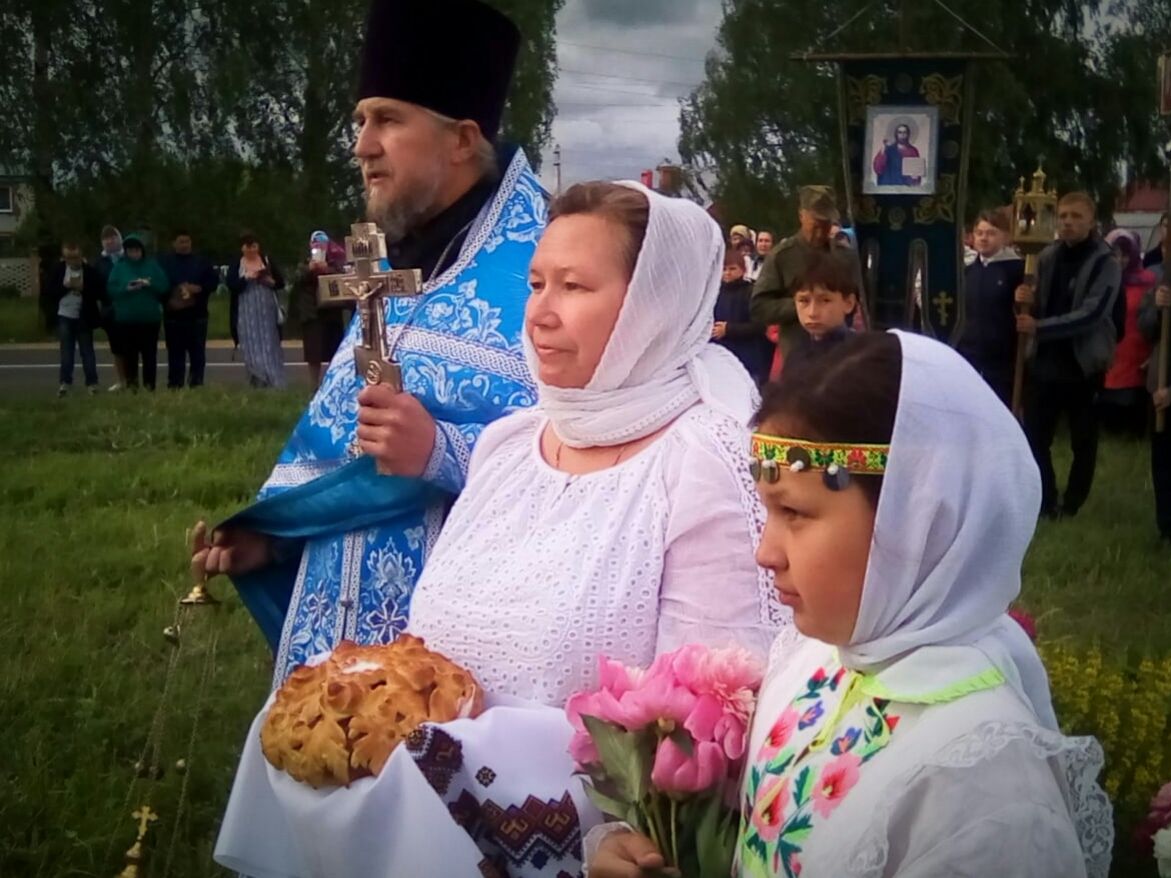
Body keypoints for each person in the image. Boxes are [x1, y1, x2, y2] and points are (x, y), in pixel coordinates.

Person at [214, 180, 794, 878]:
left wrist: (610, 840)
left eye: (574, 287)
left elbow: (710, 724)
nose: (539, 314)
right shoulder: (511, 445)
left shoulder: (703, 460)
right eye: (536, 282)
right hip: (425, 838)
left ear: (655, 307)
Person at [587, 331, 1112, 878]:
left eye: (795, 513)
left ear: (914, 519)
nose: (765, 553)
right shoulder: (816, 657)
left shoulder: (983, 785)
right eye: (768, 513)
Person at [193, 0, 540, 678]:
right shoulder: (384, 270)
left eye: (386, 119)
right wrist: (272, 533)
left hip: (464, 647)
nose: (361, 145)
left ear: (462, 139)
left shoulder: (549, 274)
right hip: (333, 632)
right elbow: (335, 445)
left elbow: (587, 460)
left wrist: (439, 450)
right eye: (360, 120)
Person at [1016, 192, 1121, 519]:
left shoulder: (1106, 261)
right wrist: (1024, 298)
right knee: (1035, 437)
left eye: (1076, 216)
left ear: (1091, 221)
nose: (1068, 223)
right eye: (1062, 216)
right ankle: (1046, 501)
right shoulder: (1047, 256)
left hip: (1082, 363)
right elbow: (1036, 303)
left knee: (1082, 441)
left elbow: (1092, 314)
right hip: (1045, 361)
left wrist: (1040, 327)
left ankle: (1072, 504)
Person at [752, 185, 865, 358]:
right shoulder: (782, 256)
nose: (820, 232)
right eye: (815, 225)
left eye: (826, 225)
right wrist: (803, 304)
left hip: (840, 353)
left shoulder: (845, 256)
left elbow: (857, 299)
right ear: (801, 216)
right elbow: (759, 307)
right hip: (797, 353)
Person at [956, 208, 1024, 406]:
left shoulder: (1017, 270)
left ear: (1005, 236)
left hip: (1002, 357)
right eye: (980, 233)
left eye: (991, 233)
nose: (984, 238)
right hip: (969, 353)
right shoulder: (967, 272)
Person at [1100, 229, 1156, 436]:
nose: (1120, 260)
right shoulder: (1100, 281)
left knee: (1131, 423)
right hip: (1107, 356)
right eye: (1115, 254)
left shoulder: (1148, 281)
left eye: (1125, 254)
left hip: (1137, 357)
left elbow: (1152, 318)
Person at [106, 232, 170, 391]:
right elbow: (111, 290)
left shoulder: (152, 266)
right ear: (126, 252)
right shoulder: (119, 268)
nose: (134, 253)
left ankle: (150, 388)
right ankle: (132, 387)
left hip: (149, 320)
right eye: (130, 250)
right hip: (126, 321)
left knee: (149, 357)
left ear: (142, 250)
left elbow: (164, 287)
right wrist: (126, 288)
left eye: (137, 250)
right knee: (130, 357)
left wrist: (149, 284)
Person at [226, 232, 287, 389]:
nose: (251, 249)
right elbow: (232, 285)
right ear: (242, 248)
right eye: (247, 246)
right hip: (246, 311)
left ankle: (273, 379)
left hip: (266, 310)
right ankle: (257, 377)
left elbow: (280, 282)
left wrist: (268, 280)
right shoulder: (237, 263)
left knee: (270, 344)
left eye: (254, 245)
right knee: (250, 344)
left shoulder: (266, 260)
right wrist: (247, 278)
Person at [783, 249, 860, 374]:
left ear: (848, 303)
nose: (812, 312)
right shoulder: (795, 357)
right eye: (803, 300)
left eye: (825, 300)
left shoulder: (861, 357)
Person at [160, 230, 218, 389]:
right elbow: (159, 284)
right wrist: (171, 296)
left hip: (197, 315)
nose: (184, 245)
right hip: (174, 316)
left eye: (187, 241)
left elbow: (213, 282)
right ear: (174, 243)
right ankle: (175, 385)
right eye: (181, 241)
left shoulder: (202, 262)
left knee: (197, 354)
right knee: (175, 354)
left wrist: (199, 288)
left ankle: (196, 384)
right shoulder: (165, 262)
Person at [48, 242, 106, 396]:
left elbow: (101, 292)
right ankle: (65, 382)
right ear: (64, 258)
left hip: (84, 316)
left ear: (81, 256)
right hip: (65, 314)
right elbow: (50, 292)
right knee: (66, 351)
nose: (72, 261)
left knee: (87, 351)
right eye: (68, 258)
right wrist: (65, 286)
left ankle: (92, 383)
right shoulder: (59, 270)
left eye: (75, 258)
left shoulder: (89, 271)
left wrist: (84, 288)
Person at [295, 230, 350, 387]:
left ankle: (334, 384)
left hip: (332, 312)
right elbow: (297, 279)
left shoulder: (335, 260)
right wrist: (309, 270)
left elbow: (343, 277)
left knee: (334, 351)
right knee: (314, 353)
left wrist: (328, 270)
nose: (319, 248)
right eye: (316, 245)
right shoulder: (304, 261)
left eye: (322, 245)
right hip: (312, 312)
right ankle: (314, 387)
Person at [1138, 282, 1171, 543]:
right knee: (1162, 462)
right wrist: (1159, 310)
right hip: (1158, 389)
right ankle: (1166, 527)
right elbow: (1146, 330)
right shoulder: (1160, 288)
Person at [713, 247, 773, 384]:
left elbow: (760, 325)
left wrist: (729, 329)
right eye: (724, 269)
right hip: (719, 354)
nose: (727, 273)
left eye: (732, 269)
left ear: (743, 269)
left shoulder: (752, 292)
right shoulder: (714, 292)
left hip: (747, 356)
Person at [92, 225, 129, 391]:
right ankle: (122, 381)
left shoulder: (128, 258)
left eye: (113, 237)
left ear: (119, 238)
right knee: (117, 348)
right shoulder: (99, 263)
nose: (110, 241)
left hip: (130, 308)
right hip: (110, 311)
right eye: (106, 238)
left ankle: (133, 379)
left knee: (132, 347)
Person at [873, 121, 922, 188]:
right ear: (896, 134)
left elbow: (917, 171)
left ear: (908, 134)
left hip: (906, 186)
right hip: (891, 184)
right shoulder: (888, 149)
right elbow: (878, 168)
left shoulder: (913, 151)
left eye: (905, 132)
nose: (902, 134)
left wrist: (915, 176)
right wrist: (883, 149)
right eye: (900, 132)